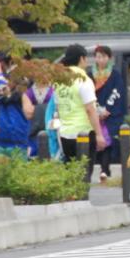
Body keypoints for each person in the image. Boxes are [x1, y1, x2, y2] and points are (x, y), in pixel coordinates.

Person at [53, 44, 107, 181]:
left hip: (65, 133)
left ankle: (72, 199)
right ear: (81, 58)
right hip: (84, 133)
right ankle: (81, 199)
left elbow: (58, 107)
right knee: (84, 174)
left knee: (70, 173)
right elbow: (90, 109)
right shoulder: (84, 80)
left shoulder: (59, 80)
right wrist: (99, 135)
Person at [91, 44, 127, 183]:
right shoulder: (90, 75)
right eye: (98, 56)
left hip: (110, 114)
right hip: (95, 112)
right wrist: (96, 109)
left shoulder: (115, 74)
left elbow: (117, 92)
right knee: (97, 141)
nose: (100, 59)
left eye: (103, 56)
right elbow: (88, 93)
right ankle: (102, 168)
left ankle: (105, 169)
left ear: (109, 58)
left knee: (108, 140)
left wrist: (108, 109)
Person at [0, 74, 31, 158]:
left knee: (19, 168)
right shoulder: (0, 98)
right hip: (0, 142)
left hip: (18, 142)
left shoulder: (22, 96)